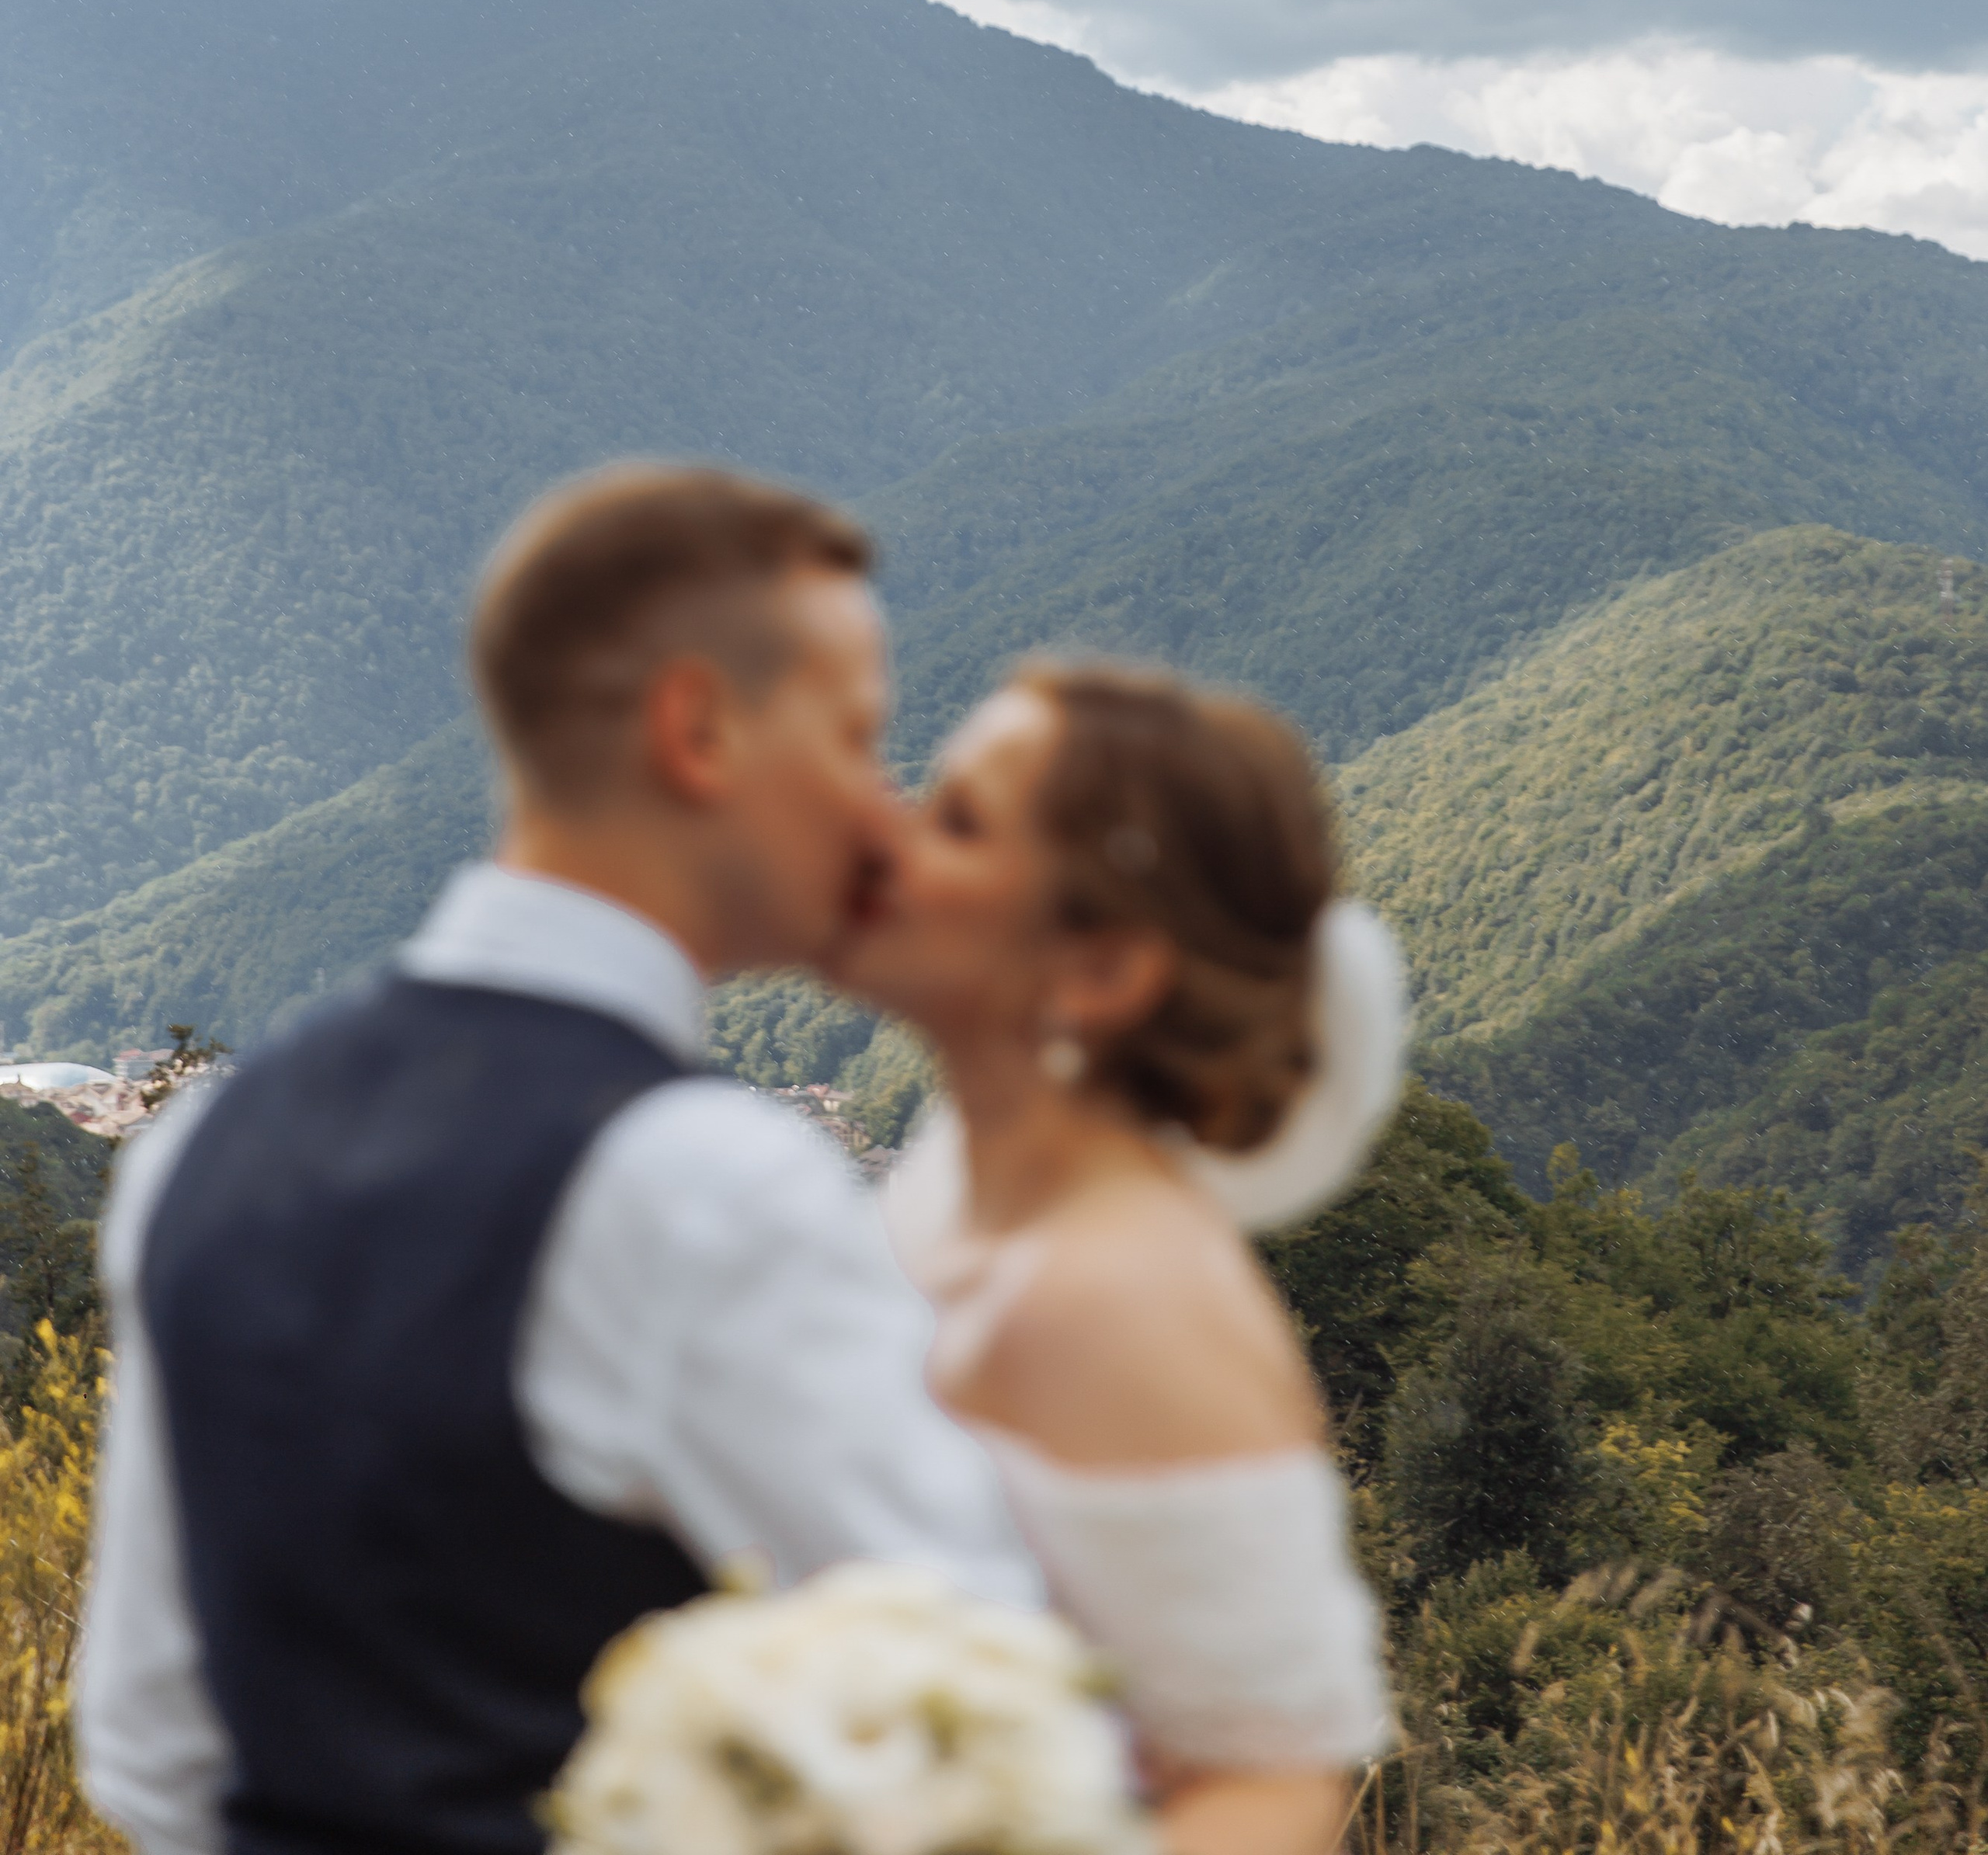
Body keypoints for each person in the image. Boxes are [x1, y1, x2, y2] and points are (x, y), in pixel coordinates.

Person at [78, 466, 1036, 1855]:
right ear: (697, 729)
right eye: (854, 735)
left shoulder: (198, 1150)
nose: (882, 805)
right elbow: (978, 1722)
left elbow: (151, 1744)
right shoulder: (703, 1182)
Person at [830, 656, 1405, 1855]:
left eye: (958, 820)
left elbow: (1269, 1789)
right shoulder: (948, 1185)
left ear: (1101, 970)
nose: (884, 827)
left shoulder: (1129, 1301)